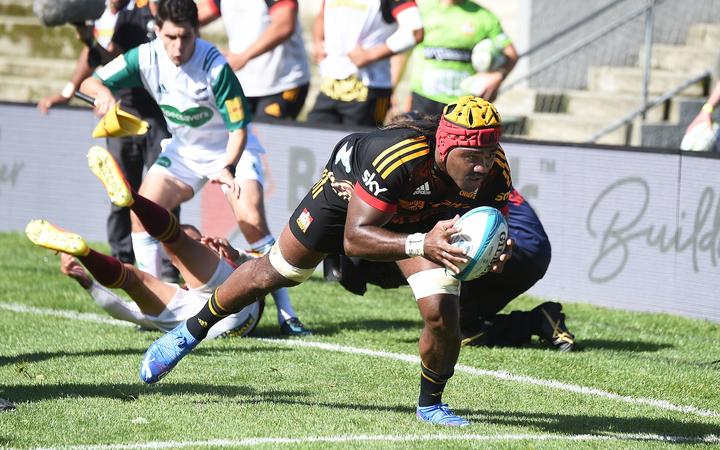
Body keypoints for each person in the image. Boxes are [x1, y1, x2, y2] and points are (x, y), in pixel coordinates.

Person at [140, 96, 514, 427]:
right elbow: (355, 238)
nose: (482, 166)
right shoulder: (398, 158)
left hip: (421, 216)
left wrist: (497, 251)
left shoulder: (496, 168)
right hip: (351, 192)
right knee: (279, 271)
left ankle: (430, 405)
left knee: (442, 313)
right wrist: (421, 243)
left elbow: (492, 226)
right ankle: (190, 330)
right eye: (472, 157)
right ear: (446, 148)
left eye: (487, 155)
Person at [80, 0, 310, 335]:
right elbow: (90, 81)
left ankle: (287, 315)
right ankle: (155, 303)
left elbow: (239, 129)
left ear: (196, 32)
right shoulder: (144, 56)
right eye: (170, 36)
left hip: (232, 150)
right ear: (157, 30)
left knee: (252, 225)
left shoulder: (215, 65)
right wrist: (102, 94)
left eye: (184, 37)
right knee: (140, 210)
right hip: (185, 152)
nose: (177, 46)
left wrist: (228, 167)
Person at [24, 147, 264, 339]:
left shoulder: (219, 269)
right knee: (139, 271)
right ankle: (89, 247)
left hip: (219, 313)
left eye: (202, 242)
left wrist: (87, 282)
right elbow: (268, 270)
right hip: (221, 314)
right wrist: (83, 276)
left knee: (166, 247)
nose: (203, 245)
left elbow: (125, 311)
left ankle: (129, 206)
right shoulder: (189, 287)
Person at [326, 187, 575, 351]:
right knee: (461, 330)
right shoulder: (463, 163)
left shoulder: (436, 172)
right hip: (527, 247)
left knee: (448, 325)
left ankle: (535, 321)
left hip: (510, 246)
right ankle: (540, 320)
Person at [37, 0, 176, 279]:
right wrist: (73, 88)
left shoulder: (164, 14)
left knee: (165, 194)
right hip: (124, 113)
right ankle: (122, 264)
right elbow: (114, 61)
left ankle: (170, 265)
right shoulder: (124, 18)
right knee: (121, 193)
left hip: (162, 115)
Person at [306, 0, 424, 127]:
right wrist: (317, 40)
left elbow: (415, 31)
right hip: (329, 86)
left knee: (358, 145)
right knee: (315, 141)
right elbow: (322, 15)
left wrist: (369, 55)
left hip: (369, 89)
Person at [197, 0, 311, 121]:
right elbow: (193, 15)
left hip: (281, 84)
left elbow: (284, 25)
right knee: (233, 137)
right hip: (242, 86)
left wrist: (243, 57)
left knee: (269, 137)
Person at [403, 0, 518, 115]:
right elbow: (402, 51)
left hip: (462, 105)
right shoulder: (421, 10)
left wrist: (498, 75)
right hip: (423, 98)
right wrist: (396, 90)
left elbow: (511, 54)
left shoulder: (484, 16)